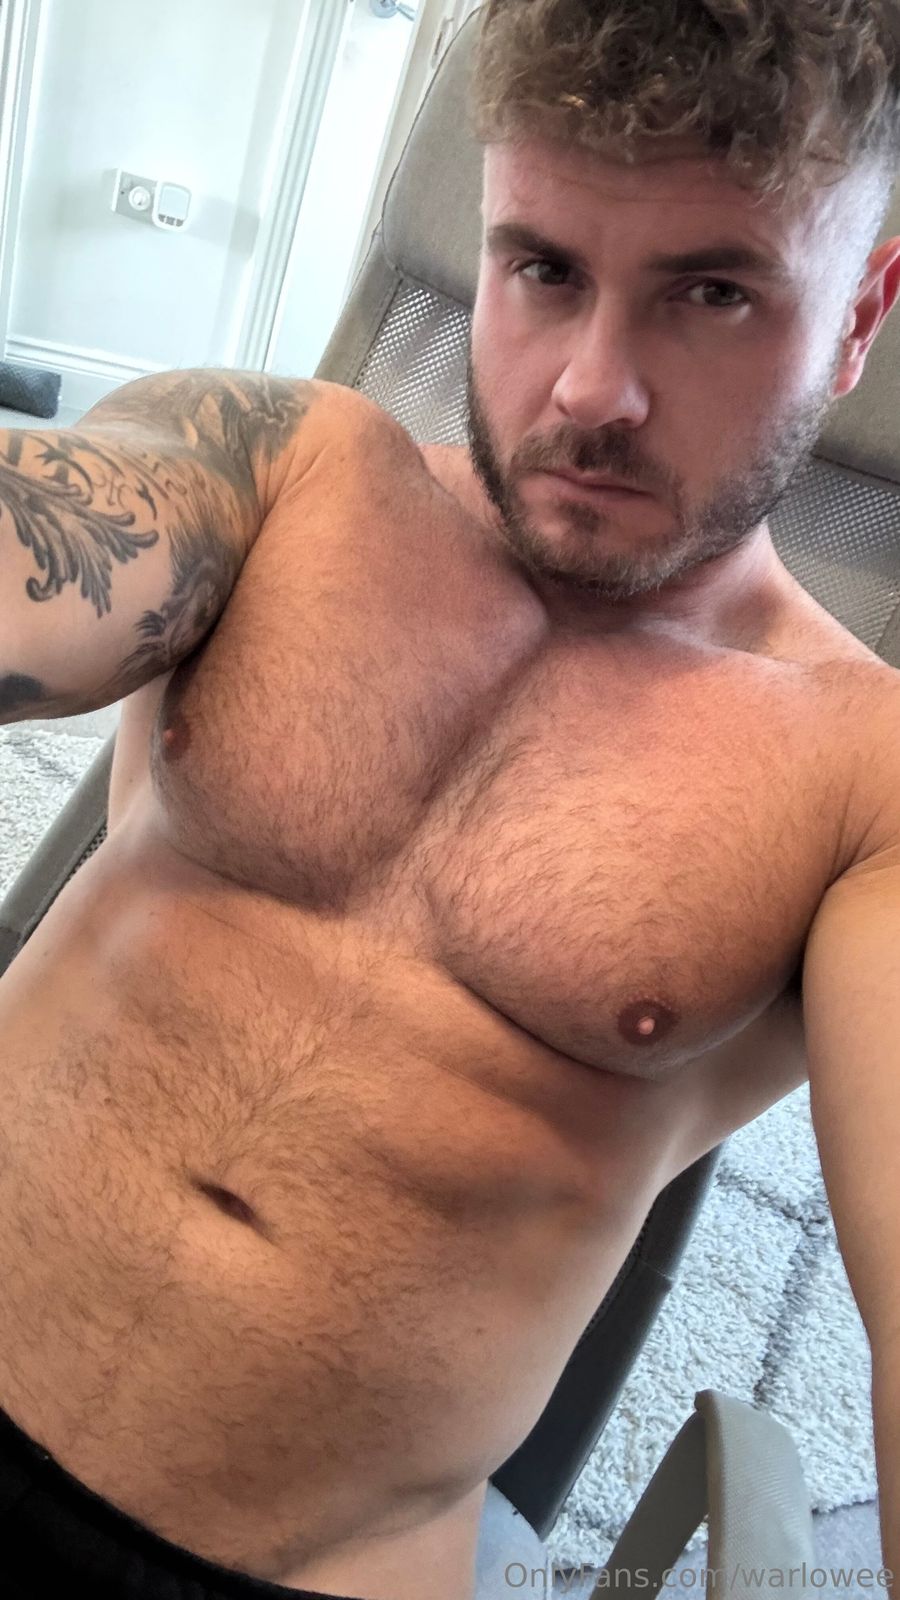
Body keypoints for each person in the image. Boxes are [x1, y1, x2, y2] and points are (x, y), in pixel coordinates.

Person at [1, 0, 900, 1594]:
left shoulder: (865, 781)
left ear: (858, 317)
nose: (594, 391)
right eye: (541, 268)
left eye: (712, 292)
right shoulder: (285, 468)